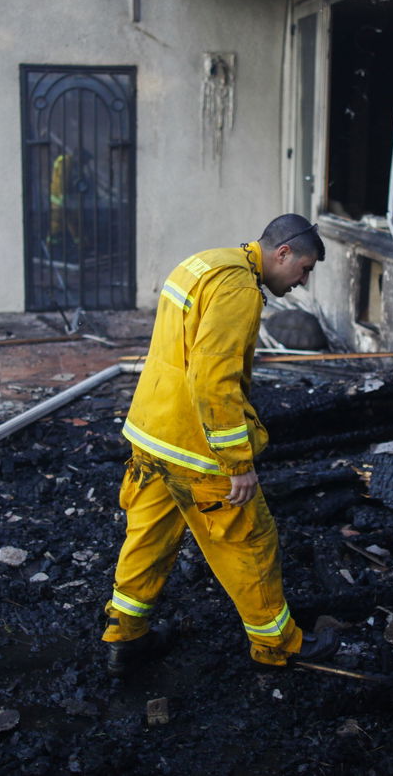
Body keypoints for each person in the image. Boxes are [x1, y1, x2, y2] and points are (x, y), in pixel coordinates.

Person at [101, 214, 340, 674]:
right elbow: (213, 382)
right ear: (283, 253)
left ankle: (125, 640)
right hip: (195, 447)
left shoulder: (204, 264)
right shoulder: (240, 290)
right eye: (304, 269)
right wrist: (238, 463)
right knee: (250, 542)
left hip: (151, 433)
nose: (303, 281)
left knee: (147, 540)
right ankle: (278, 646)